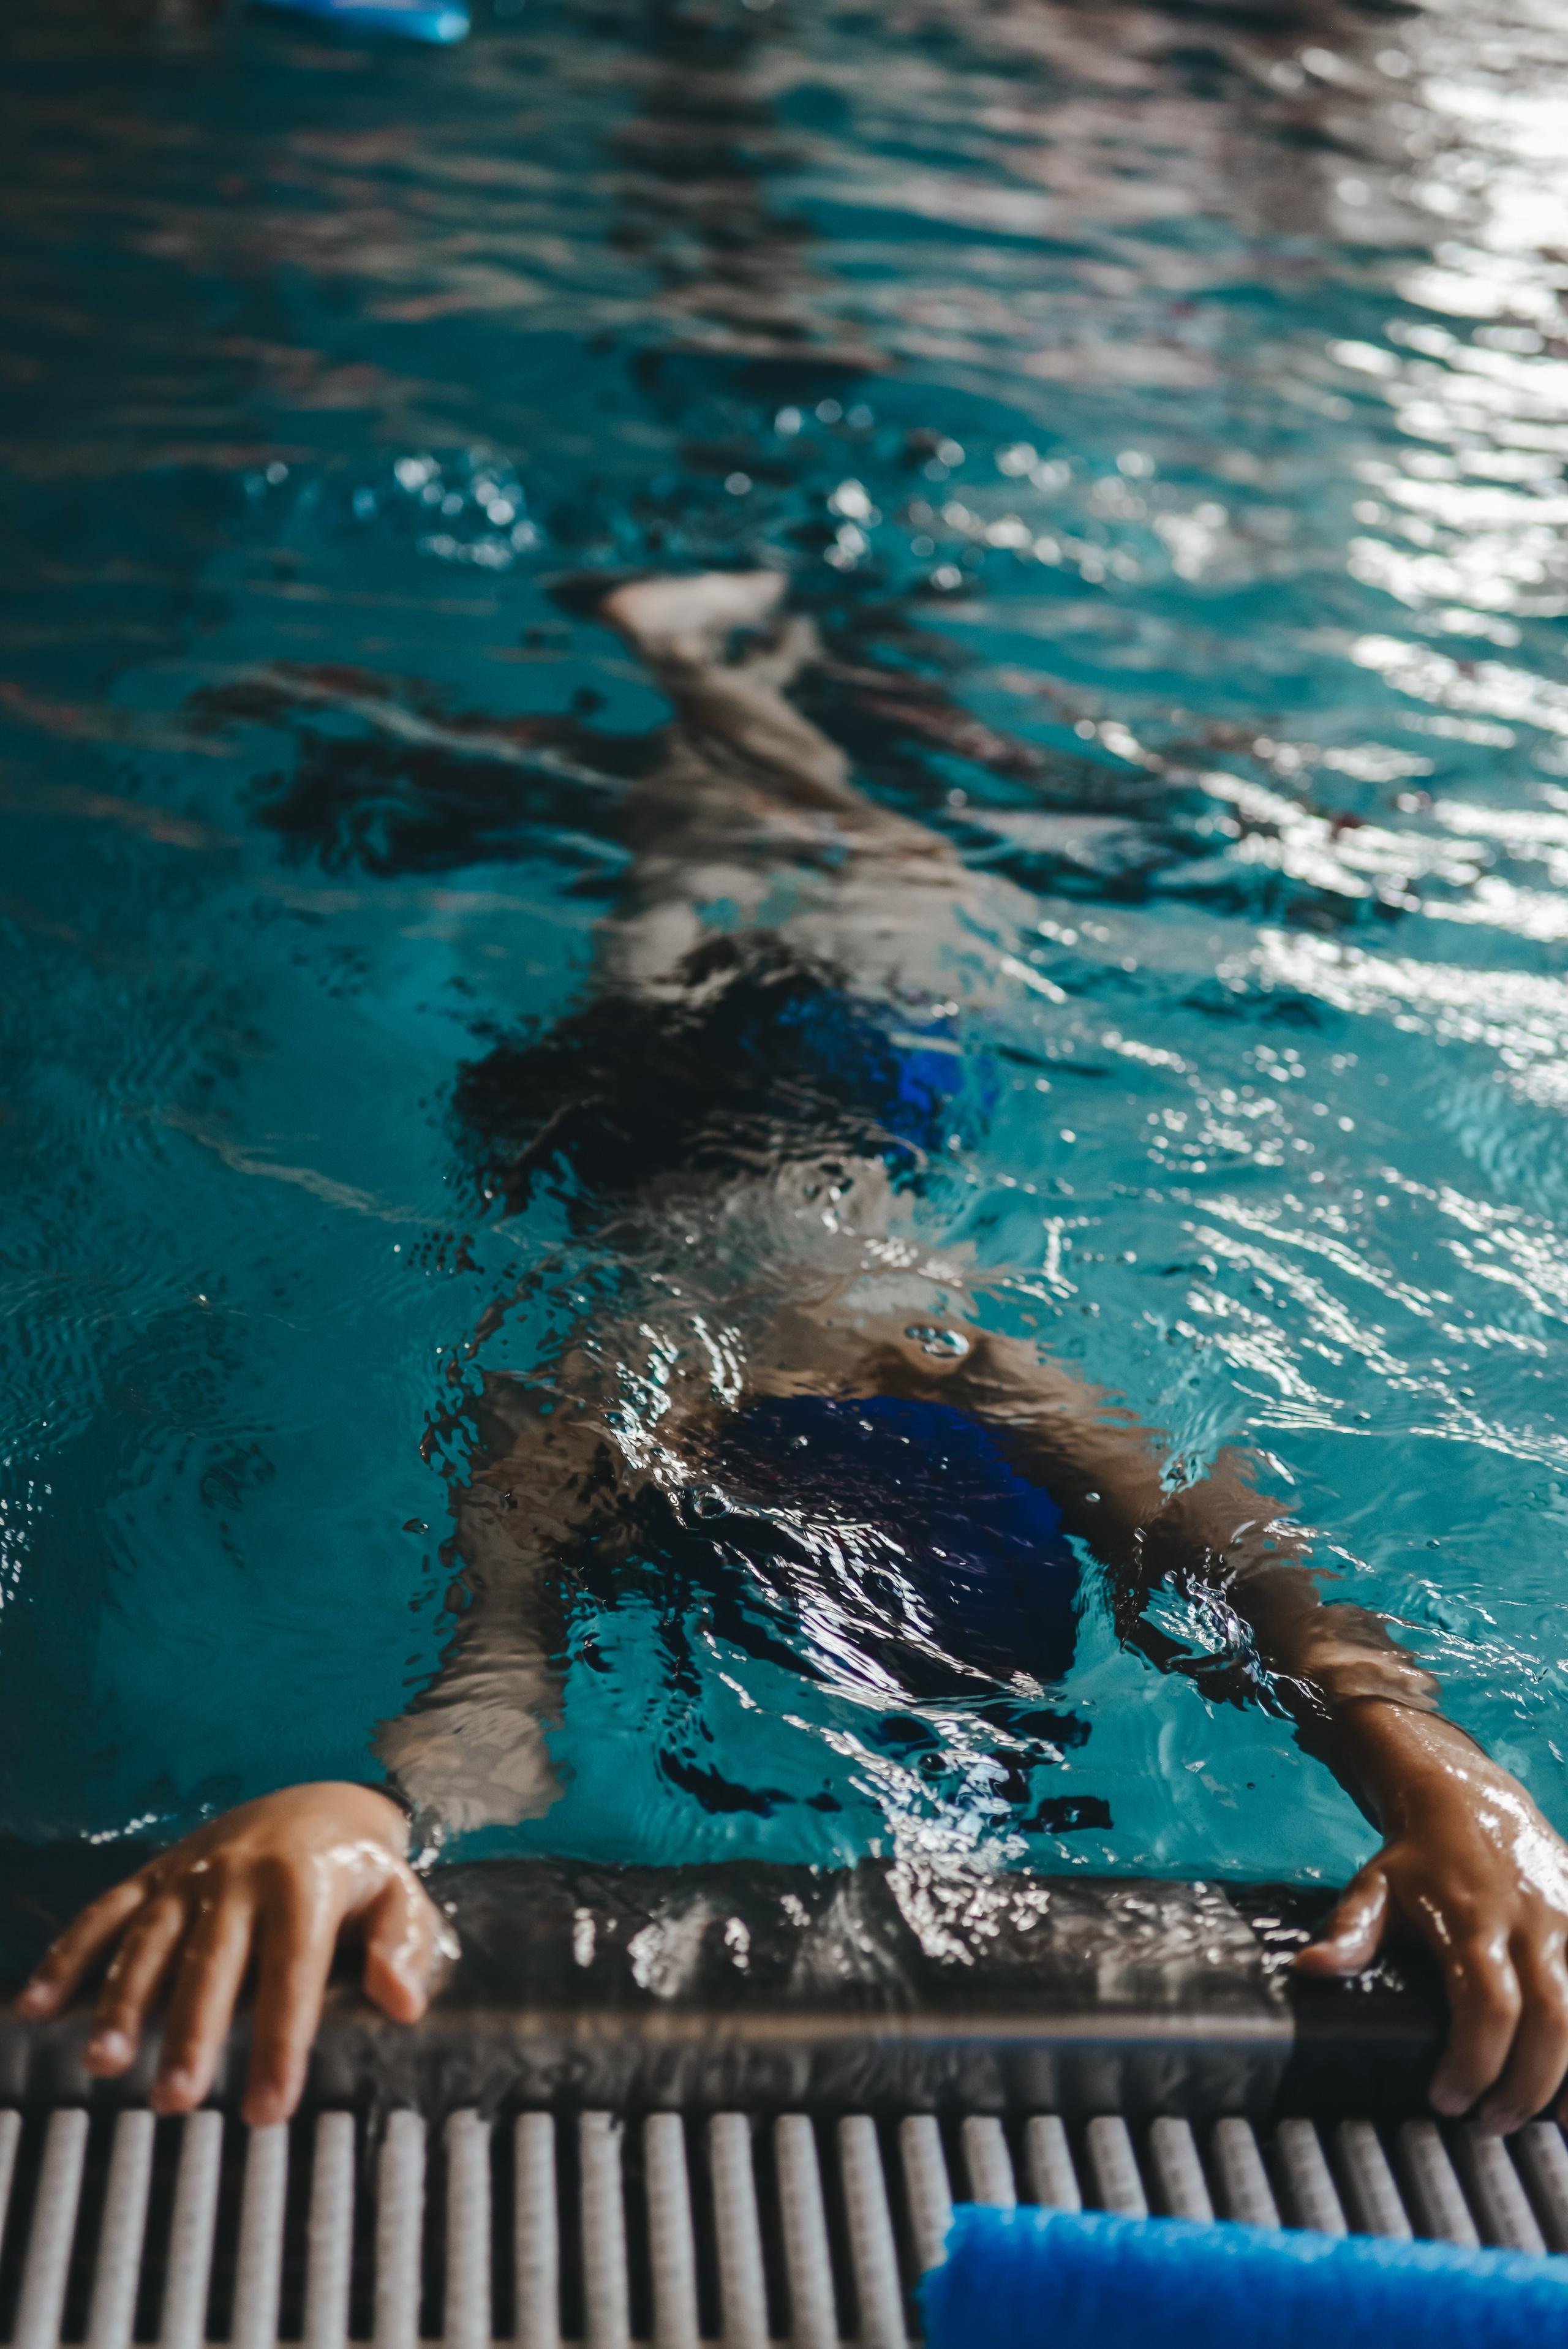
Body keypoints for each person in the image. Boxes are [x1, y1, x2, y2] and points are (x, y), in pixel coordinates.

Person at [19, 572, 1568, 2141]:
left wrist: (371, 1813)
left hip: (627, 1119)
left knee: (676, 893)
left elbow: (489, 1699)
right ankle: (721, 663)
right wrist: (1430, 1766)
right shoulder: (944, 1359)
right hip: (871, 1061)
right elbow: (1235, 1565)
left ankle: (713, 668)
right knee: (875, 863)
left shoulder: (605, 1401)